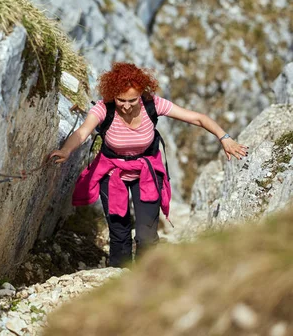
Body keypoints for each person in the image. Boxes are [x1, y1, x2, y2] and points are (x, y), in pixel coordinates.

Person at [49, 62, 248, 267]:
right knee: (119, 233)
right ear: (111, 95)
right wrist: (66, 150)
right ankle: (119, 279)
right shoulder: (103, 109)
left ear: (141, 94)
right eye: (120, 100)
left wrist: (224, 138)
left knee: (147, 235)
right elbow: (82, 132)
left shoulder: (152, 105)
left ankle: (147, 278)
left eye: (132, 100)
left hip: (146, 172)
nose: (126, 106)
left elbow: (197, 118)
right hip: (113, 173)